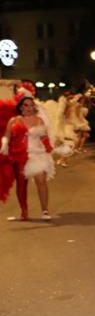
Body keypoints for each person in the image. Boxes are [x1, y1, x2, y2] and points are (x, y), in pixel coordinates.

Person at [1, 91, 55, 221]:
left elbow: (43, 136)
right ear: (21, 107)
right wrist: (4, 145)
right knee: (21, 185)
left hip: (37, 154)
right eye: (26, 105)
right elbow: (6, 136)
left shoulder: (39, 120)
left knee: (41, 182)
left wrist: (49, 147)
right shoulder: (13, 121)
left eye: (31, 105)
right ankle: (24, 212)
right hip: (20, 155)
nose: (29, 108)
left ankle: (45, 210)